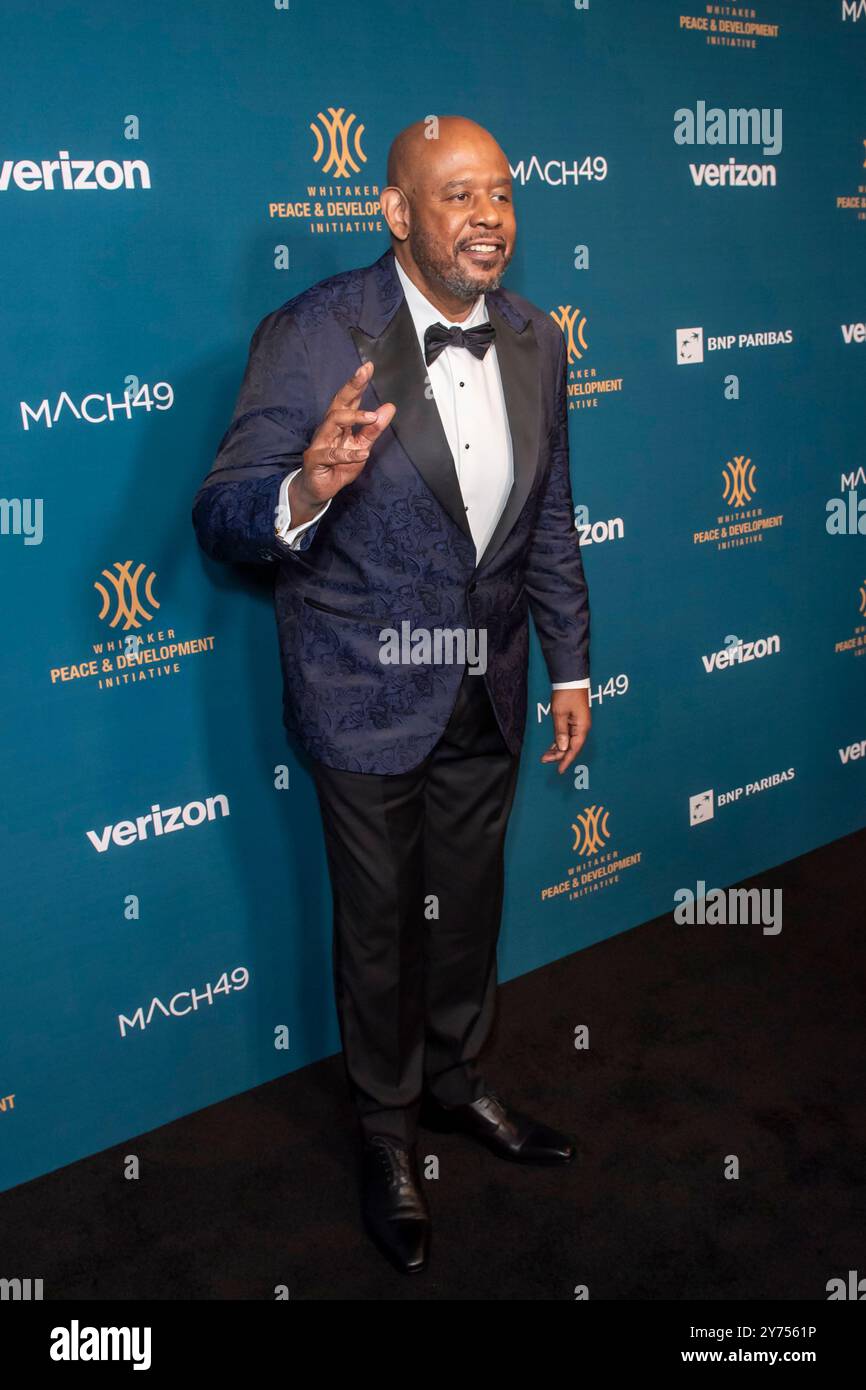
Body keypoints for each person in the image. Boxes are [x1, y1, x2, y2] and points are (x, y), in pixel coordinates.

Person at [192, 116, 592, 1275]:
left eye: (502, 194)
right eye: (457, 195)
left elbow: (549, 518)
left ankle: (458, 1084)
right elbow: (221, 512)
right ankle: (384, 1135)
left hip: (489, 684)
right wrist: (304, 483)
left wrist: (567, 661)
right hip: (361, 691)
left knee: (464, 911)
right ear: (396, 211)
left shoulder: (536, 337)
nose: (486, 216)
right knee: (379, 935)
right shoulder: (316, 332)